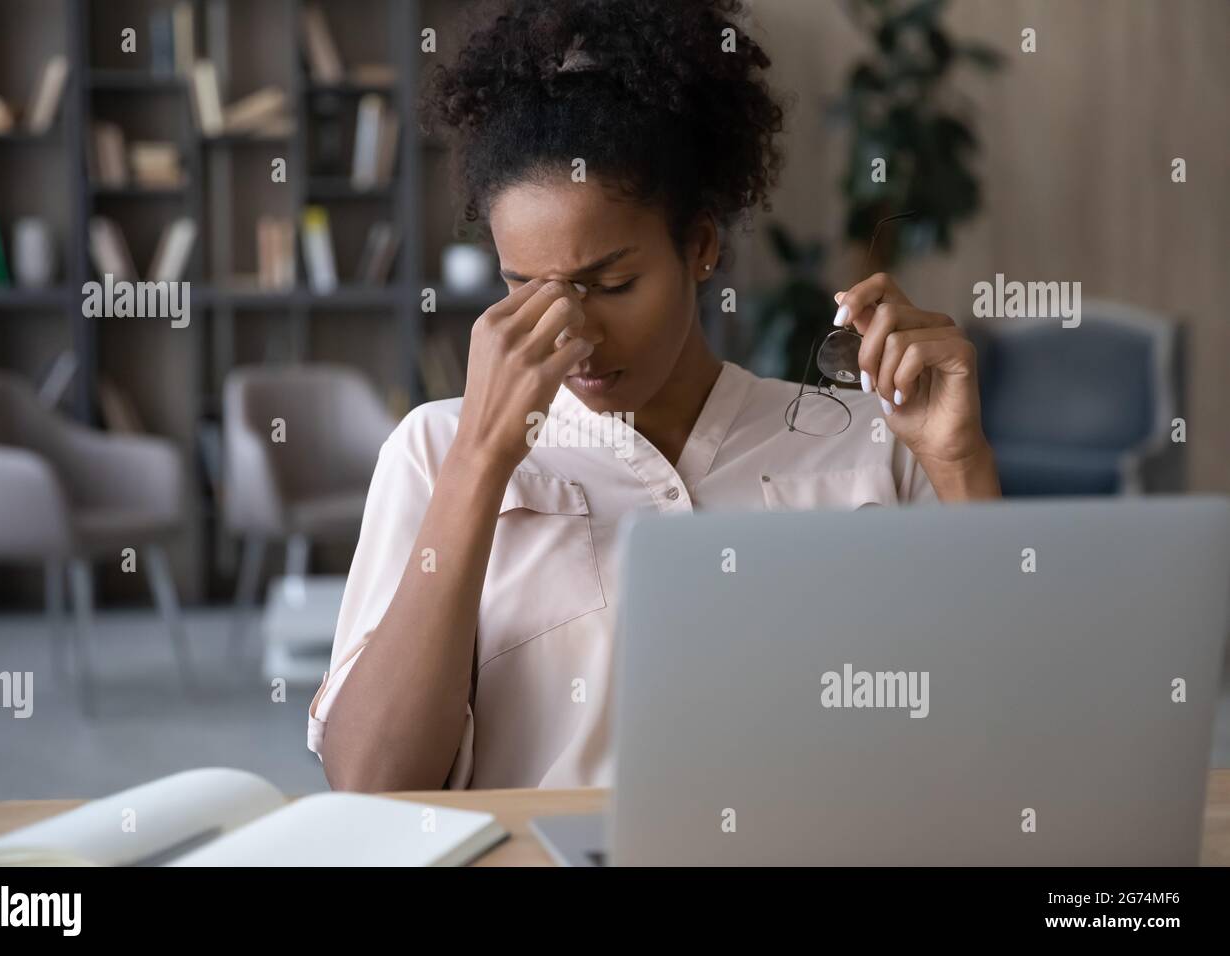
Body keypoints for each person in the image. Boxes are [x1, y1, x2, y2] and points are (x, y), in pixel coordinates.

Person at [310, 0, 1001, 792]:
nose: (572, 333)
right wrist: (482, 459)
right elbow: (369, 787)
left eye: (611, 283)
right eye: (525, 288)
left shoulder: (865, 447)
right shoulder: (436, 452)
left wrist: (959, 464)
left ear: (700, 246)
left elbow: (1002, 735)